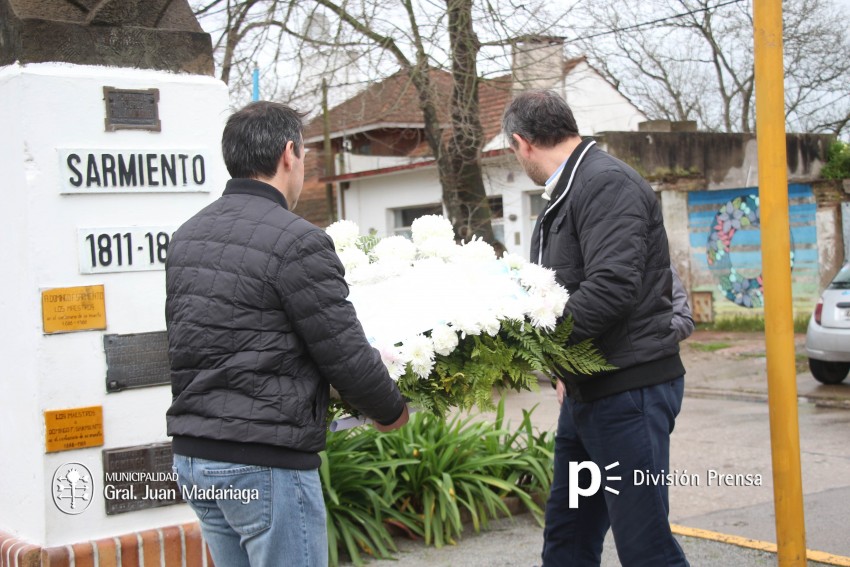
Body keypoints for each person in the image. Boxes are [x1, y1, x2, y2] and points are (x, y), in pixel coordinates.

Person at [165, 101, 409, 567]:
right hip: (264, 464)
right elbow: (344, 353)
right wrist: (390, 410)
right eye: (305, 156)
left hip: (195, 458)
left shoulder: (187, 236)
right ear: (288, 154)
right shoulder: (296, 239)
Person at [502, 90, 689, 567]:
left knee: (644, 546)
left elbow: (611, 288)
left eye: (512, 150)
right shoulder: (570, 190)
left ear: (523, 143)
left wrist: (539, 345)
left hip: (629, 392)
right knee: (568, 539)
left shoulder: (604, 183)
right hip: (590, 392)